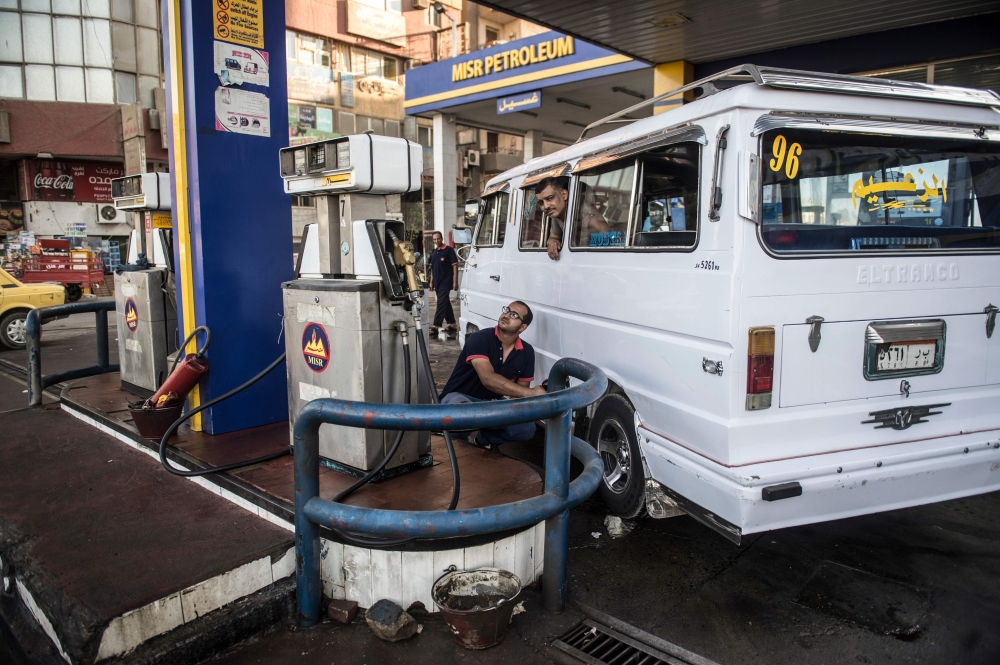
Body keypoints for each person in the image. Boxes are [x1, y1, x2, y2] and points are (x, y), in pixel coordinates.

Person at [440, 301, 546, 448]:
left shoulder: (527, 352)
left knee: (526, 428)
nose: (506, 315)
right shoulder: (480, 338)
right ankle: (457, 449)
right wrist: (531, 393)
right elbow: (488, 379)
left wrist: (533, 396)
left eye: (514, 315)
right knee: (459, 411)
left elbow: (520, 392)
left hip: (491, 403)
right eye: (507, 310)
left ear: (523, 327)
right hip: (460, 397)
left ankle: (483, 441)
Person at [535, 176, 610, 259]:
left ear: (564, 194)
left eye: (550, 198)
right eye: (541, 203)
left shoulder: (586, 211)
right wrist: (553, 242)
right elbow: (554, 237)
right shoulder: (556, 215)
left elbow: (607, 234)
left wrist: (584, 234)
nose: (546, 206)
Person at [427, 231, 458, 338]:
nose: (436, 241)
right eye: (434, 239)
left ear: (441, 238)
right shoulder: (434, 252)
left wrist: (455, 281)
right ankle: (453, 325)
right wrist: (431, 281)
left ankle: (435, 326)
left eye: (438, 239)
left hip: (446, 281)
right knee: (445, 303)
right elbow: (432, 269)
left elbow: (455, 266)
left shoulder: (449, 250)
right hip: (437, 283)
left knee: (441, 303)